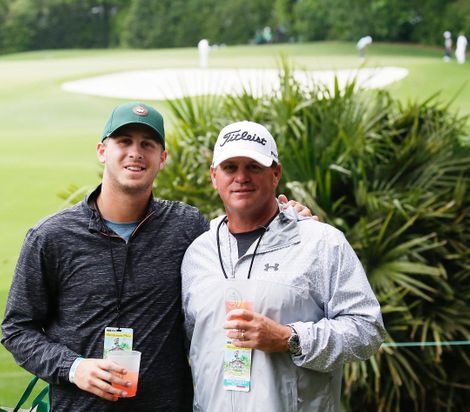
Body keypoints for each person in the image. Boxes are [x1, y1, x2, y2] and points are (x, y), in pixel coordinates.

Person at [1, 103, 310, 411]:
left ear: (162, 159)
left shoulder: (187, 227)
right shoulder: (52, 237)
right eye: (124, 142)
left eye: (147, 144)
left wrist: (287, 217)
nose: (136, 152)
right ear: (101, 151)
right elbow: (16, 329)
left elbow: (241, 240)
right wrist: (73, 368)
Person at [181, 121, 385, 411]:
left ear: (275, 173)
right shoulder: (198, 253)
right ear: (214, 176)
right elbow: (192, 342)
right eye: (230, 168)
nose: (241, 177)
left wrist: (289, 338)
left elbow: (367, 331)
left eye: (254, 166)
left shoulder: (322, 243)